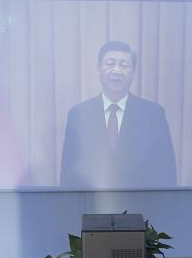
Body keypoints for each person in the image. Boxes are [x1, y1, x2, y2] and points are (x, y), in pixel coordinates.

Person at [59, 40, 177, 188]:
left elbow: (167, 172)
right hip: (91, 202)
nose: (116, 70)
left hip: (142, 201)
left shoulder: (154, 115)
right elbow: (68, 175)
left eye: (124, 65)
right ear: (98, 70)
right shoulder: (78, 115)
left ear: (133, 74)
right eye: (110, 63)